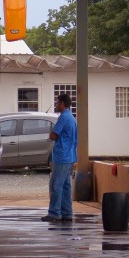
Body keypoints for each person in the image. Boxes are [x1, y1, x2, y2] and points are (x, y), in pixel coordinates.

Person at [42, 93, 78, 222]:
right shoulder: (72, 118)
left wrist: (52, 132)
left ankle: (54, 213)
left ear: (62, 103)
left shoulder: (63, 118)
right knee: (65, 186)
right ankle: (67, 213)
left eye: (57, 102)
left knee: (56, 185)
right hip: (70, 156)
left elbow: (53, 135)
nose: (56, 105)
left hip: (62, 156)